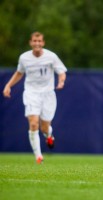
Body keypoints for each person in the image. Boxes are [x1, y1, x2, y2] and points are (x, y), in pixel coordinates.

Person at [3, 32, 67, 164]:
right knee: (33, 123)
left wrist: (61, 81)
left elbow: (61, 71)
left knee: (44, 127)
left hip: (48, 94)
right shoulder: (24, 58)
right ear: (30, 42)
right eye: (34, 41)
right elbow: (19, 73)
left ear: (43, 43)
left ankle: (49, 136)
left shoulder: (51, 56)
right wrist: (8, 85)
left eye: (39, 41)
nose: (37, 43)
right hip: (31, 93)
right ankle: (38, 157)